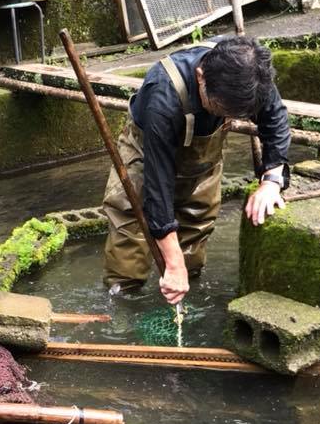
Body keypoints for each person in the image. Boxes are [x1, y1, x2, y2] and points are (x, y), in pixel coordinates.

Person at [102, 35, 290, 305]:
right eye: (220, 108)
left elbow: (276, 120)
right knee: (129, 246)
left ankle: (185, 296)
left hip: (202, 163)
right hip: (146, 159)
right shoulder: (163, 92)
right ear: (201, 76)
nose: (227, 117)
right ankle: (122, 309)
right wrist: (172, 261)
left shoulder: (251, 73)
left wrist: (271, 180)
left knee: (193, 242)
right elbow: (158, 184)